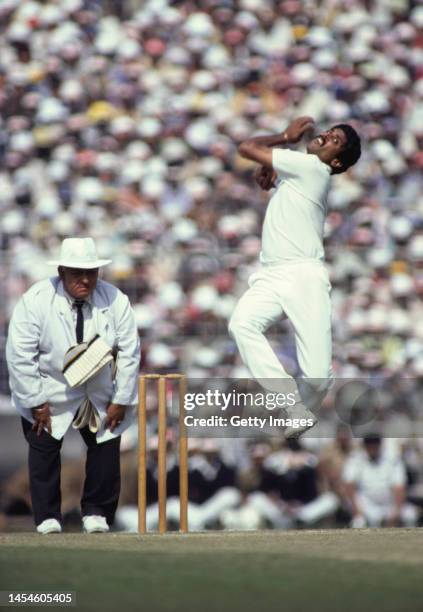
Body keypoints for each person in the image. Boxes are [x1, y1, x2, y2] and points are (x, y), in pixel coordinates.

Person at [229, 117, 361, 437]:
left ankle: (303, 405)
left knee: (316, 378)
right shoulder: (299, 169)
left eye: (335, 141)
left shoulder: (314, 169)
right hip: (271, 273)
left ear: (337, 160)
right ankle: (291, 405)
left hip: (304, 274)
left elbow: (247, 148)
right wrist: (272, 175)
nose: (326, 136)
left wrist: (284, 137)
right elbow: (266, 176)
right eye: (329, 132)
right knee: (241, 324)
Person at [6, 237, 140, 534]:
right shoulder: (36, 299)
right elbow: (19, 354)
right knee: (43, 446)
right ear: (62, 271)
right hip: (51, 386)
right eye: (77, 272)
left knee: (106, 445)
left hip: (99, 387)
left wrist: (122, 398)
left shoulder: (115, 299)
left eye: (91, 272)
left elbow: (130, 352)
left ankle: (97, 512)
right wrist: (35, 401)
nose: (85, 279)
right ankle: (47, 517)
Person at [343, 433, 419, 528]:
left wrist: (396, 511)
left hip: (390, 504)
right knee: (359, 523)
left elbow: (399, 487)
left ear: (380, 444)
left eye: (375, 444)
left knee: (410, 516)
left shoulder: (392, 459)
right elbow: (349, 486)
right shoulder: (355, 459)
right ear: (365, 445)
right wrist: (357, 511)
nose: (372, 447)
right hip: (367, 506)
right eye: (369, 444)